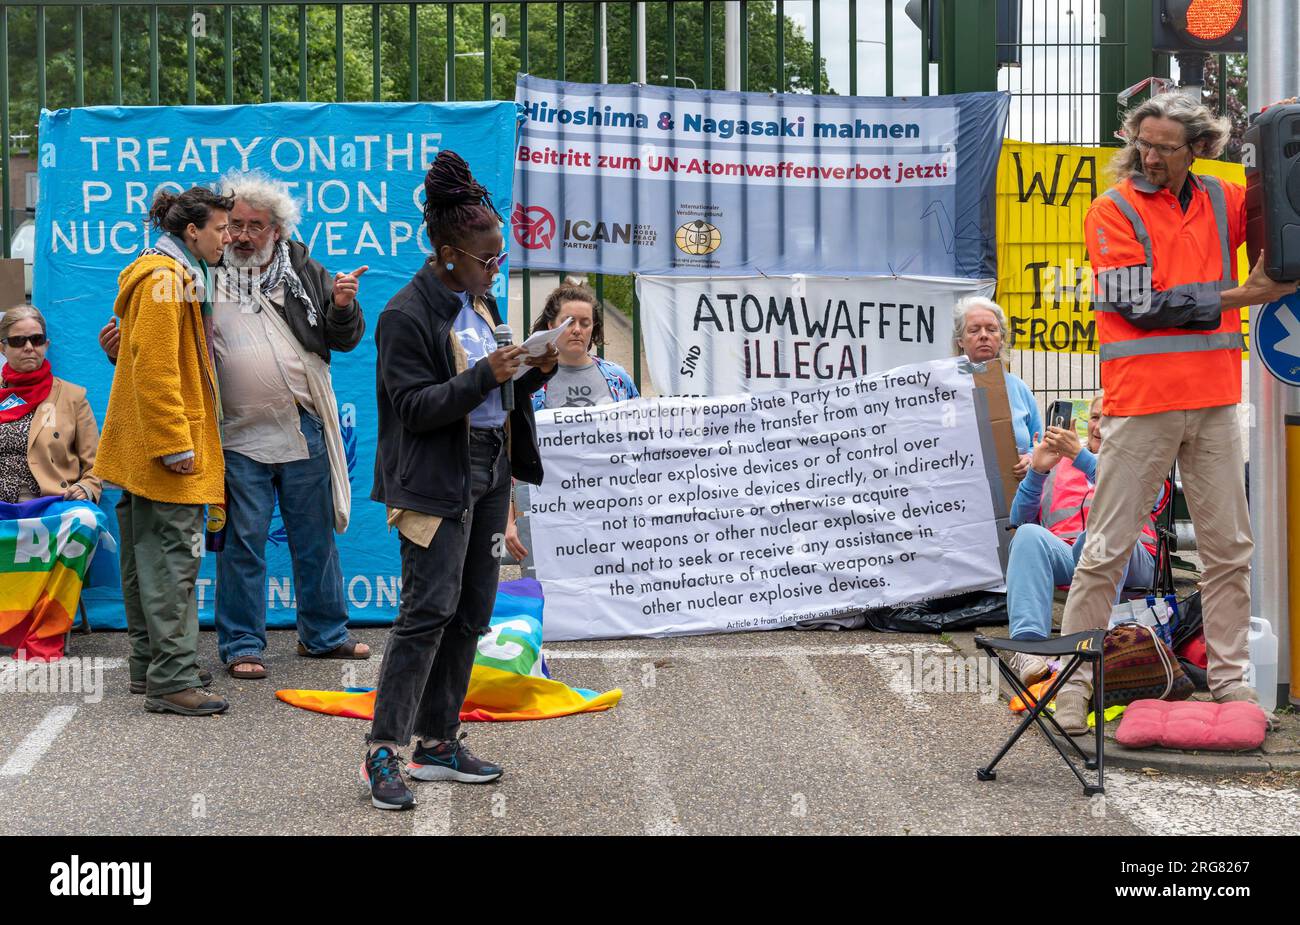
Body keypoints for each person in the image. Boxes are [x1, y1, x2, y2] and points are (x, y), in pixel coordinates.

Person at [1053, 92, 1299, 734]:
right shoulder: (1112, 209)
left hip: (1214, 399)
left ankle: (1229, 680)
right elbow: (1139, 304)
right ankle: (1072, 682)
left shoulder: (1222, 196)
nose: (1151, 155)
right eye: (1145, 142)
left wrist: (1283, 136)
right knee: (1105, 548)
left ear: (1199, 147)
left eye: (1167, 145)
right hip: (1142, 400)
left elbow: (1282, 218)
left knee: (1228, 550)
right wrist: (1243, 294)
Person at [104, 171, 370, 679]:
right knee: (242, 544)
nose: (241, 235)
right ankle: (243, 644)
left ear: (278, 231)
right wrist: (120, 348)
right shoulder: (195, 272)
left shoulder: (303, 270)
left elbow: (342, 339)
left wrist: (343, 307)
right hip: (235, 436)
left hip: (302, 427)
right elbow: (160, 352)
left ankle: (325, 635)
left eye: (255, 225)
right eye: (235, 225)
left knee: (315, 541)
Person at [363, 151, 558, 810]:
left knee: (472, 611)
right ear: (447, 254)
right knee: (426, 612)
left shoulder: (479, 300)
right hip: (433, 478)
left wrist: (535, 366)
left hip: (489, 469)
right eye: (486, 258)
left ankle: (439, 742)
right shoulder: (404, 315)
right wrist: (488, 374)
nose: (495, 267)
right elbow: (413, 407)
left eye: (500, 256)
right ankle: (383, 752)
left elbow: (495, 394)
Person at [96, 187, 233, 716]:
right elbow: (156, 373)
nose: (226, 238)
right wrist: (175, 443)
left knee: (142, 560)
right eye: (220, 229)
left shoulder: (167, 273)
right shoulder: (163, 280)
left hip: (141, 451)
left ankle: (150, 665)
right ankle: (171, 679)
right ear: (192, 232)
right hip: (164, 452)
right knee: (172, 561)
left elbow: (140, 359)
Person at [1002, 395, 1158, 684]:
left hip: (1131, 556)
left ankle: (1097, 643)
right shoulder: (1061, 461)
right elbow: (1018, 521)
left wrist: (1081, 458)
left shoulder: (1142, 460)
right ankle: (1029, 649)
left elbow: (1130, 493)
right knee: (1027, 535)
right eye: (1096, 417)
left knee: (1100, 530)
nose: (1099, 426)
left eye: (1110, 418)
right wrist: (1037, 472)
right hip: (1072, 553)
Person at [500, 282, 638, 561]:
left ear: (594, 329)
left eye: (586, 323)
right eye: (569, 322)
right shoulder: (527, 381)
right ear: (552, 325)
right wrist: (509, 519)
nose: (577, 329)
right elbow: (508, 452)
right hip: (548, 511)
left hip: (610, 512)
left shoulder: (618, 378)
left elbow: (637, 443)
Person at [0, 305, 101, 505]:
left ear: (46, 345)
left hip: (52, 507)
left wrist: (87, 487)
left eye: (36, 340)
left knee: (86, 521)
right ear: (3, 348)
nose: (29, 347)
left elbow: (96, 463)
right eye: (18, 341)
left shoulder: (73, 397)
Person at [953, 296, 1041, 479]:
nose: (984, 335)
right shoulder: (946, 390)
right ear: (960, 340)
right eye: (974, 330)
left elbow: (1038, 443)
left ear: (1001, 339)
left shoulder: (1019, 389)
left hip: (1015, 497)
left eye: (991, 329)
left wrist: (1031, 459)